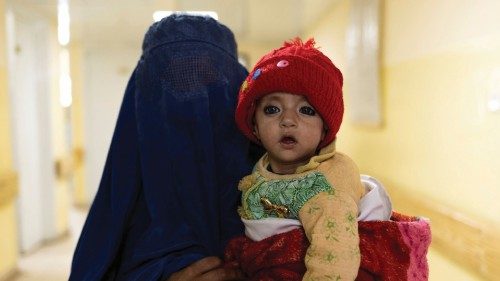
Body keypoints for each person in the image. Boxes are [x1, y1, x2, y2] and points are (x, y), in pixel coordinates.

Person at [69, 14, 258, 280]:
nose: (197, 100)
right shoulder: (126, 196)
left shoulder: (279, 180)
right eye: (179, 81)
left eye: (208, 80)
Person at [224, 38, 432, 281]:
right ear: (255, 126)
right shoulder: (258, 172)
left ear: (325, 130)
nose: (288, 120)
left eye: (306, 110)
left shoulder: (325, 182)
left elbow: (336, 257)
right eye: (272, 109)